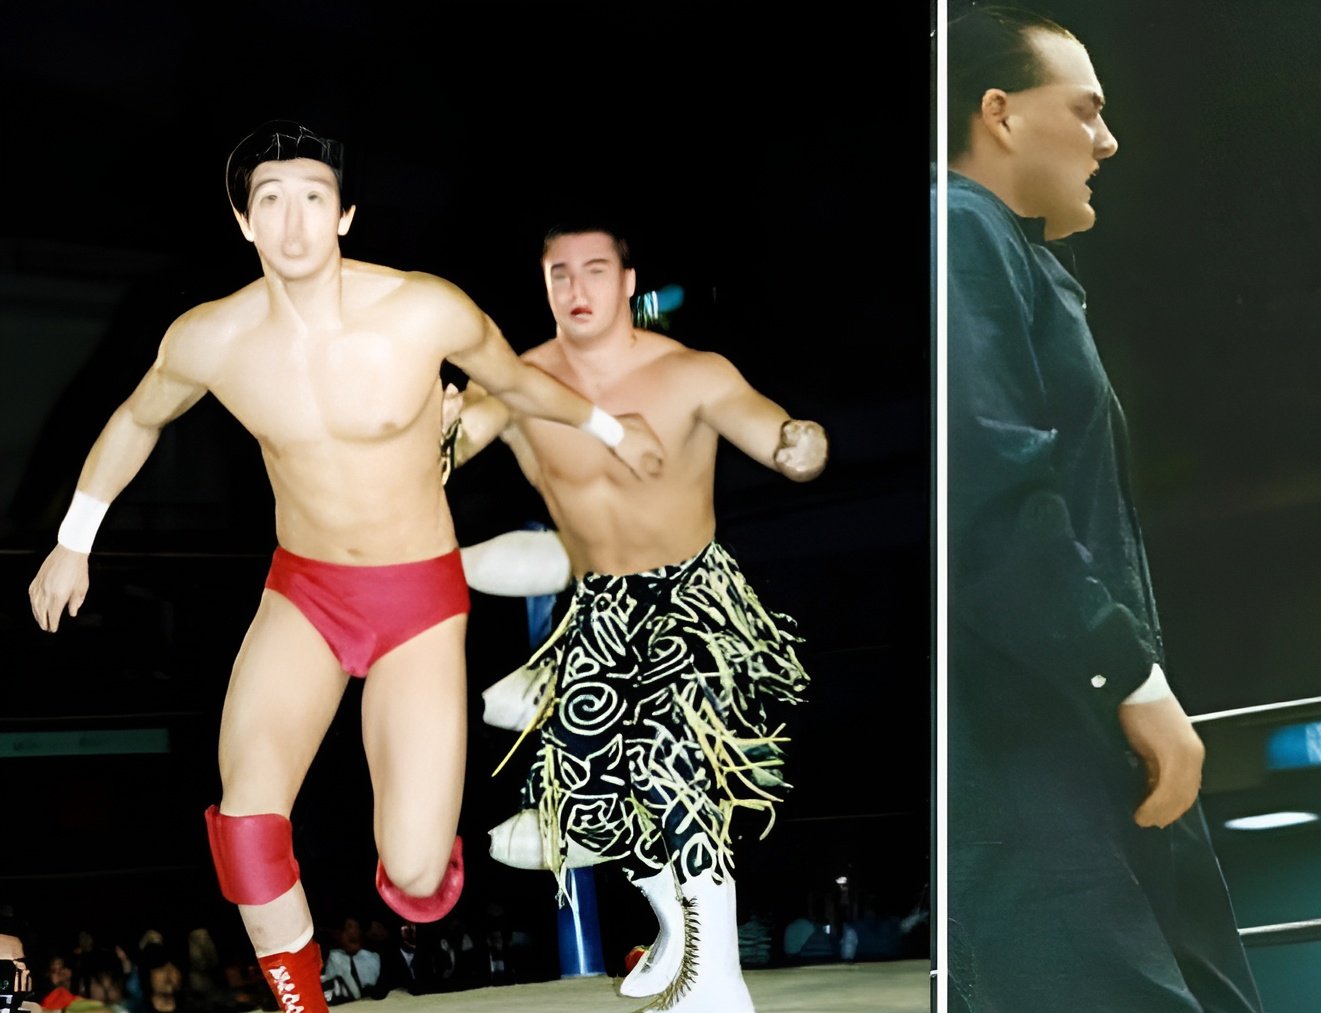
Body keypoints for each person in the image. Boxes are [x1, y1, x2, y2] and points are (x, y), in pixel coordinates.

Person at [24, 120, 660, 1013]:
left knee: (414, 871)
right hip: (306, 591)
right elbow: (137, 417)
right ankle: (304, 1004)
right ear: (244, 220)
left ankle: (421, 825)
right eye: (271, 200)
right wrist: (74, 538)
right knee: (246, 824)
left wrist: (608, 429)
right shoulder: (214, 337)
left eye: (313, 199)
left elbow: (518, 383)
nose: (293, 223)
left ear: (346, 214)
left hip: (418, 599)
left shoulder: (422, 310)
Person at [943, 8, 1264, 1012]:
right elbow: (986, 487)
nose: (1107, 140)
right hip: (1027, 742)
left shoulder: (1013, 251)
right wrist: (1121, 672)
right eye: (1085, 110)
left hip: (1075, 728)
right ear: (999, 113)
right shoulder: (958, 226)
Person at [443, 222, 825, 1012]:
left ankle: (718, 975)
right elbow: (447, 451)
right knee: (583, 792)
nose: (576, 289)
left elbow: (777, 433)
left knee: (665, 752)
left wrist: (802, 443)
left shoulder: (690, 373)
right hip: (598, 605)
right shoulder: (517, 384)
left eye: (593, 270)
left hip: (694, 592)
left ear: (627, 281)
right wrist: (436, 432)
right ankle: (677, 925)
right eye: (559, 273)